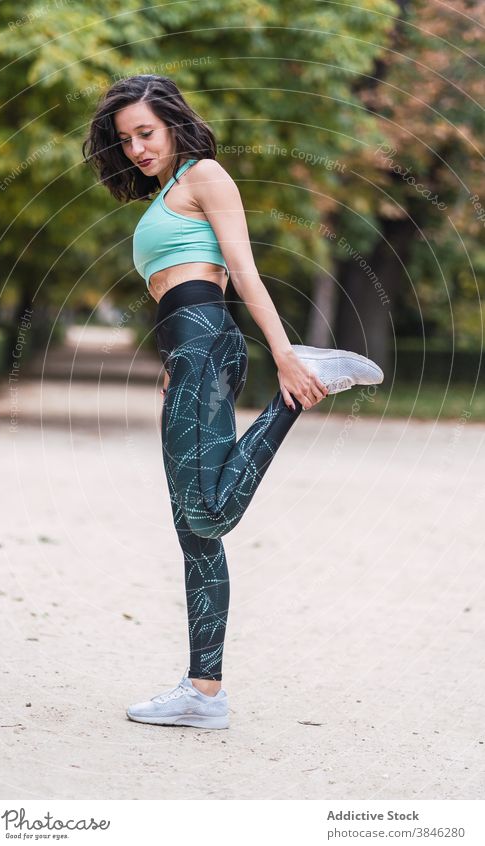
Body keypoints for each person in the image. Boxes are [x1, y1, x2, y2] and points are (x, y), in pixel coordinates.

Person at [82, 75, 383, 730]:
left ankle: (301, 391)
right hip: (188, 354)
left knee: (207, 515)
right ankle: (204, 692)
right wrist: (172, 361)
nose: (135, 147)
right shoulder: (165, 193)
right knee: (194, 534)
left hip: (207, 345)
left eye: (145, 132)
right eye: (124, 137)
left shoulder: (205, 175)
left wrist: (283, 355)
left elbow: (240, 270)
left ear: (173, 124)